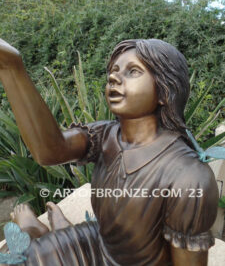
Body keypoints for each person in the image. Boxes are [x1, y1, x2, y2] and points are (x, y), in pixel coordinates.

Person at [0, 38, 219, 266]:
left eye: (133, 71)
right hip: (100, 244)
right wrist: (11, 67)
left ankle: (52, 233)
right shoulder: (105, 135)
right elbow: (49, 151)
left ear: (165, 90)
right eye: (114, 71)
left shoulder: (189, 177)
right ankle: (57, 234)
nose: (114, 77)